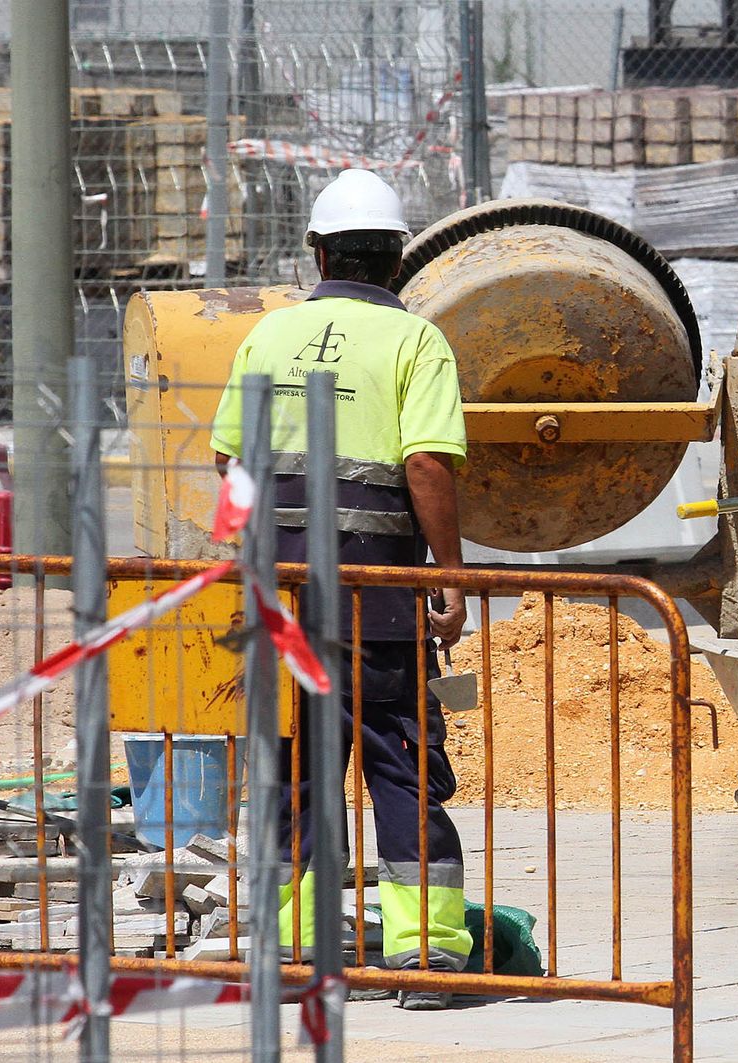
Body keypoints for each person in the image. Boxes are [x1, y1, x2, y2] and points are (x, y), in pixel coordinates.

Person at [209, 168, 472, 1008]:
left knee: (295, 764)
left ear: (316, 251)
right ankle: (424, 953)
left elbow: (229, 462)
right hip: (377, 596)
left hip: (282, 594)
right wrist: (454, 577)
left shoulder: (267, 336)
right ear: (398, 261)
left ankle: (294, 951)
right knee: (400, 761)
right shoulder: (416, 343)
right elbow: (426, 461)